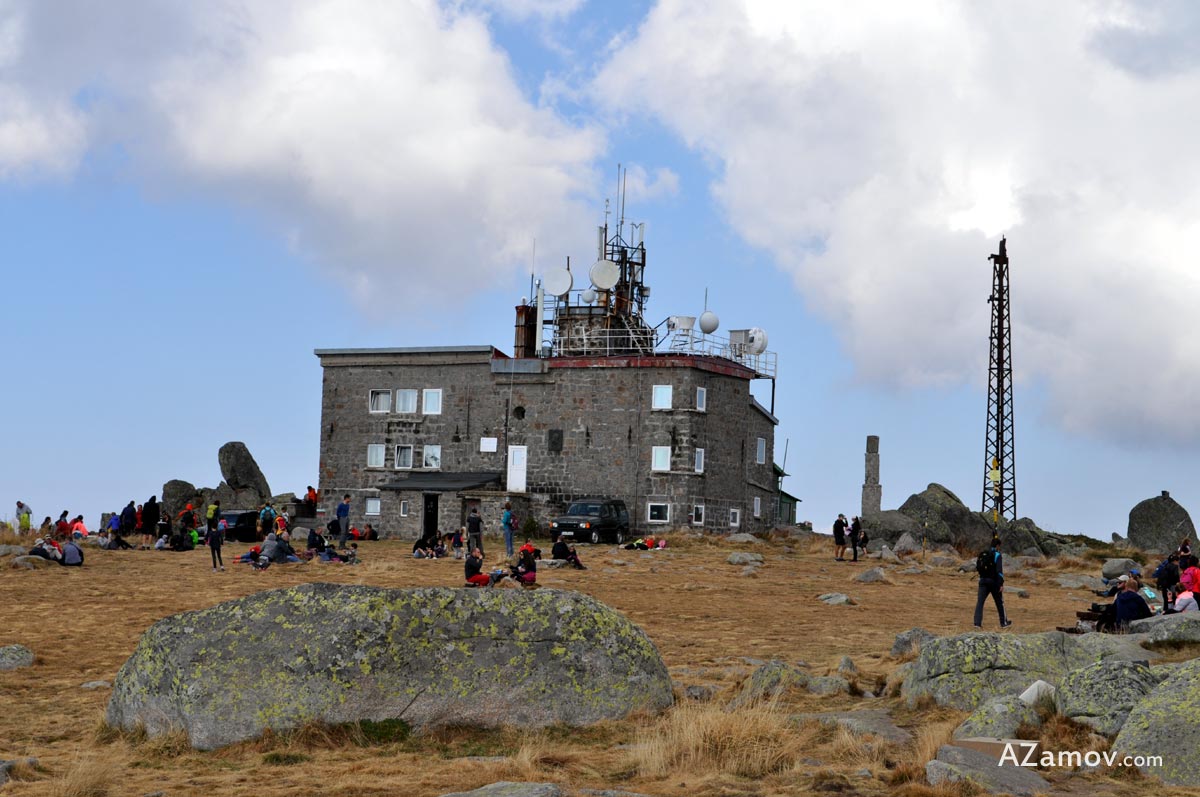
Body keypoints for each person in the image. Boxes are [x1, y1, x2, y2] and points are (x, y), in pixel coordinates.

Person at [973, 535, 1012, 629]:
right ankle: (1004, 623)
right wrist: (1001, 584)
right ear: (998, 546)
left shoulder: (984, 554)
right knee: (999, 603)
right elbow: (999, 571)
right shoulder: (997, 555)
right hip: (993, 582)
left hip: (982, 581)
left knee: (980, 602)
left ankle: (977, 623)